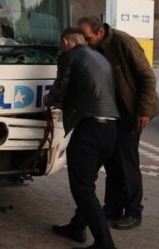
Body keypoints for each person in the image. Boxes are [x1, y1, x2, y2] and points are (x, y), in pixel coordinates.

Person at [77, 16, 159, 230]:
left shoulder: (124, 43)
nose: (86, 43)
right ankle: (113, 208)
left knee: (128, 162)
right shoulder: (93, 48)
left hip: (132, 112)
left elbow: (147, 78)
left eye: (89, 38)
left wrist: (142, 112)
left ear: (101, 33)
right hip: (111, 113)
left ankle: (134, 211)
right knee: (112, 162)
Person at [45, 27, 120, 249]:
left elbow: (60, 89)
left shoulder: (69, 56)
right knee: (88, 181)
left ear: (65, 42)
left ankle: (105, 243)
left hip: (90, 129)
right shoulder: (99, 56)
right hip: (111, 129)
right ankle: (77, 227)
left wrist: (48, 99)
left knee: (82, 188)